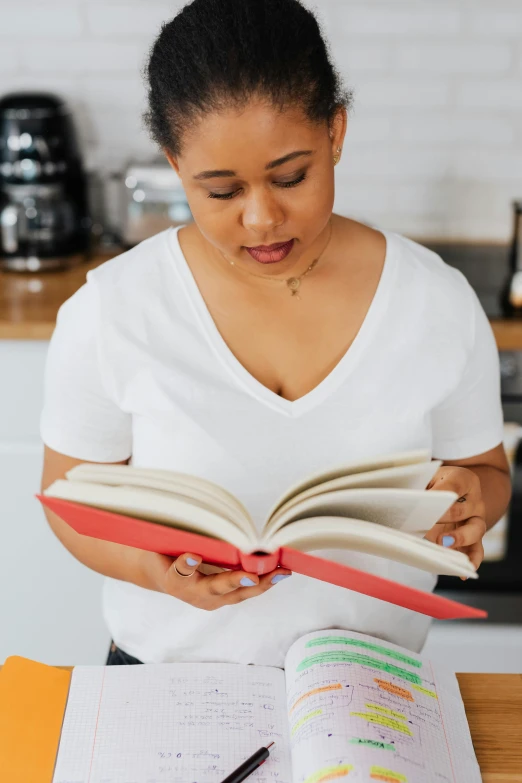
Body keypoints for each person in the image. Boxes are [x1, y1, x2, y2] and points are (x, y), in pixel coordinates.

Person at [40, 0, 511, 668]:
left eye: (291, 176)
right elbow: (69, 503)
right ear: (176, 165)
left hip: (368, 687)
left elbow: (488, 477)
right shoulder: (112, 309)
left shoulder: (436, 301)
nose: (262, 218)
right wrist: (157, 570)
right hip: (163, 684)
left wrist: (472, 503)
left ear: (336, 132)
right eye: (221, 191)